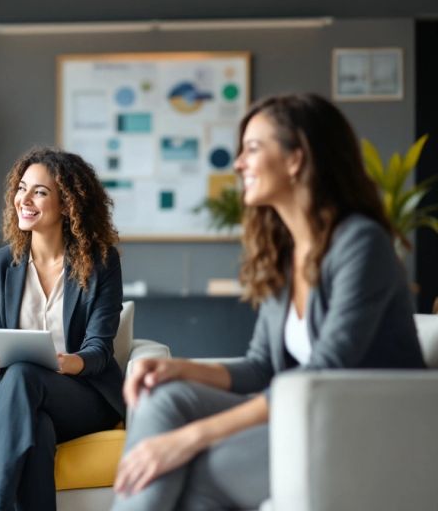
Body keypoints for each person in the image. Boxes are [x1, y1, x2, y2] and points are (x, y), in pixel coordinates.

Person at [112, 93, 427, 510]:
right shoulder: (287, 251)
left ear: (296, 159)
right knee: (164, 395)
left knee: (193, 465)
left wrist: (187, 439)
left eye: (253, 149)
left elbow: (323, 373)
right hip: (308, 413)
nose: (239, 163)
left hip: (364, 428)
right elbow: (262, 366)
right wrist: (177, 368)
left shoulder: (360, 243)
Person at [0, 147, 125, 510]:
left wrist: (63, 362)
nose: (24, 199)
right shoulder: (0, 264)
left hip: (81, 395)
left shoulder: (101, 264)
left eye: (40, 192)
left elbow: (99, 350)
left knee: (23, 375)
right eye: (21, 188)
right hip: (13, 402)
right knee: (36, 427)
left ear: (67, 205)